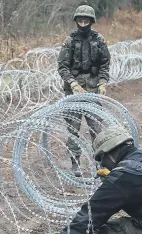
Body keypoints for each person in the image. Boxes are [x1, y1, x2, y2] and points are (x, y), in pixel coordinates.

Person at [57, 3, 111, 177]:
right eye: (80, 19)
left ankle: (99, 163)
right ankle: (75, 163)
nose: (83, 22)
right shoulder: (70, 41)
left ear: (91, 21)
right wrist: (73, 84)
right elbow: (62, 67)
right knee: (73, 128)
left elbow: (105, 63)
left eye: (86, 19)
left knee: (96, 128)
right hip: (73, 91)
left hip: (93, 88)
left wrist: (102, 82)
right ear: (76, 20)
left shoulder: (99, 40)